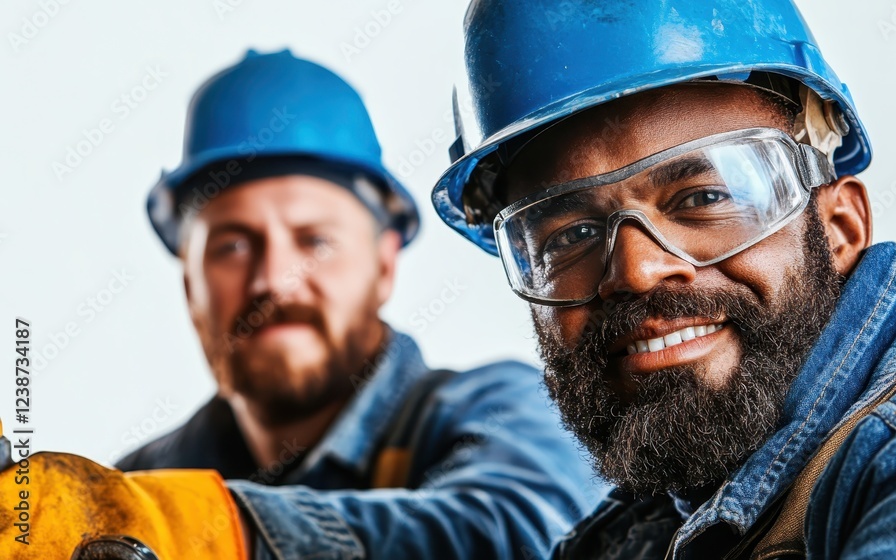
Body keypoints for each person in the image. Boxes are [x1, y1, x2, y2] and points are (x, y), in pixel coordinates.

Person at [431, 1, 896, 558]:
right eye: (569, 236)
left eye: (704, 198)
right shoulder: (644, 528)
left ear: (839, 228)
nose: (636, 270)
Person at [116, 49, 600, 559]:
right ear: (191, 286)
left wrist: (202, 530)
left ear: (384, 266)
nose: (275, 281)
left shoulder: (504, 411)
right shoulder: (140, 481)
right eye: (232, 246)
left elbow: (516, 536)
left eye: (315, 241)